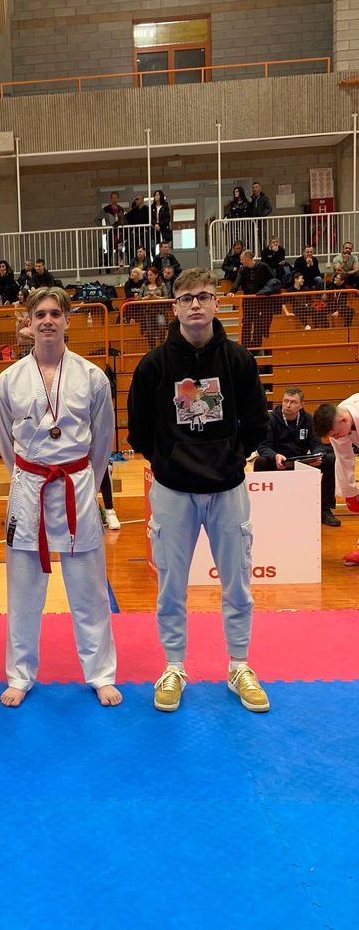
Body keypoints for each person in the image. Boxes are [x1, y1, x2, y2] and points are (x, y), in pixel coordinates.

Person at [127, 267, 271, 713]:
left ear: (216, 303)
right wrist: (168, 460)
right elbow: (139, 430)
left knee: (238, 584)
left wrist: (232, 457)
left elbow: (257, 421)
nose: (195, 304)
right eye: (187, 298)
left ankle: (239, 666)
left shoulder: (239, 360)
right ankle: (173, 666)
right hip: (173, 489)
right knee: (171, 586)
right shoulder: (153, 365)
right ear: (174, 307)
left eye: (204, 296)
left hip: (227, 487)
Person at [0, 287, 121, 709]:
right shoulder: (9, 379)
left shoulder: (92, 376)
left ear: (67, 320)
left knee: (89, 591)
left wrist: (86, 481)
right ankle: (19, 675)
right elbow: (4, 441)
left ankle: (101, 674)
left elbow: (103, 441)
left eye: (54, 313)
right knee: (23, 591)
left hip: (76, 485)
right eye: (40, 314)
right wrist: (25, 475)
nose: (47, 320)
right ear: (28, 322)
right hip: (29, 486)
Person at [254, 388, 339, 526]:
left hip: (302, 462)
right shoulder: (271, 419)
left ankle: (325, 508)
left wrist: (317, 456)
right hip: (279, 461)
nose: (288, 405)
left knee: (330, 459)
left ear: (301, 405)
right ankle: (261, 507)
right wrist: (274, 456)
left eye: (293, 402)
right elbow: (263, 446)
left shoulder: (309, 419)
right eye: (285, 401)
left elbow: (317, 444)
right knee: (261, 462)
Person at [314, 396, 359, 564]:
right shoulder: (337, 420)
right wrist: (350, 492)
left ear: (343, 420)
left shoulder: (342, 419)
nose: (337, 438)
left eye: (336, 434)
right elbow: (344, 457)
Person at [230, 249, 280, 347]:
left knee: (258, 324)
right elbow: (237, 282)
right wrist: (232, 291)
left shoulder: (263, 266)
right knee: (246, 323)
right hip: (248, 301)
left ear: (248, 258)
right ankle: (245, 346)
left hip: (261, 301)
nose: (241, 261)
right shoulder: (242, 269)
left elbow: (273, 280)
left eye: (242, 259)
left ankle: (257, 347)